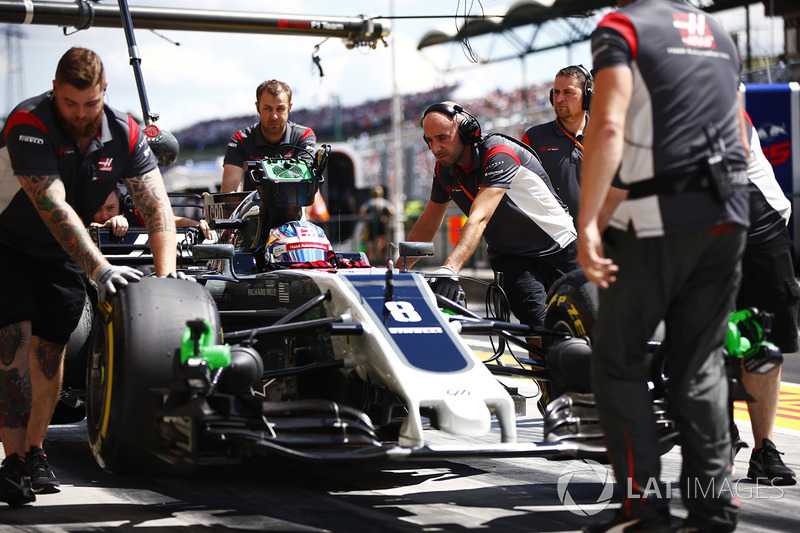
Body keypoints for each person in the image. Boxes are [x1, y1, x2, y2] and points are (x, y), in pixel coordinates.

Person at [577, 1, 750, 531]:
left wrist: (588, 223)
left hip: (661, 216)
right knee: (699, 364)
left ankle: (644, 511)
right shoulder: (718, 31)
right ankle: (711, 510)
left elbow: (606, 127)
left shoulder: (621, 27)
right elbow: (739, 132)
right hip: (730, 212)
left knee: (617, 360)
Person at [0, 47, 178, 506]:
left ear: (104, 94)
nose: (80, 114)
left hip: (60, 251)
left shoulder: (126, 131)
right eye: (70, 104)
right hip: (8, 242)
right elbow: (53, 206)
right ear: (55, 91)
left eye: (90, 105)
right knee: (14, 346)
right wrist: (99, 268)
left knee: (49, 352)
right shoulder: (28, 121)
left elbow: (156, 207)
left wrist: (167, 283)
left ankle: (37, 451)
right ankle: (13, 461)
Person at [407, 101, 577, 331]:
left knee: (585, 326)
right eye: (429, 141)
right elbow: (427, 224)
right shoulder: (442, 170)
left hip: (559, 245)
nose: (435, 148)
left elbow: (480, 216)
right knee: (538, 333)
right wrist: (397, 271)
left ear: (467, 131)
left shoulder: (499, 152)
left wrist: (450, 268)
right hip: (512, 256)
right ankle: (544, 365)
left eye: (442, 138)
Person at [734, 110, 797, 486]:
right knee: (702, 330)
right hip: (690, 219)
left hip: (761, 219)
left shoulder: (722, 97)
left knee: (763, 337)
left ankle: (764, 448)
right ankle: (718, 437)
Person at [521, 65, 593, 221]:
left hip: (603, 237)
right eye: (556, 92)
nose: (559, 98)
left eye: (568, 92)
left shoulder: (605, 136)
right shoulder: (534, 138)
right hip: (555, 241)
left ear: (587, 96)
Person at [220, 79, 316, 193]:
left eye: (280, 109)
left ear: (289, 108)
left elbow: (305, 185)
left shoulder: (304, 136)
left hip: (294, 207)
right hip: (253, 209)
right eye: (268, 109)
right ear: (257, 107)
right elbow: (228, 190)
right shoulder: (240, 140)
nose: (274, 116)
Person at [92, 188, 213, 240]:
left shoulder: (134, 212)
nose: (104, 216)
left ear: (120, 203)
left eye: (111, 208)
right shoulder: (79, 215)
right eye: (97, 209)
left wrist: (198, 226)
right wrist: (104, 227)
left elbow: (171, 221)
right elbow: (76, 229)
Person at [359, 185, 394, 264]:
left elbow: (362, 210)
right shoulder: (383, 202)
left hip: (371, 224)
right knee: (380, 243)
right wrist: (386, 217)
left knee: (370, 243)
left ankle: (371, 260)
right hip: (381, 224)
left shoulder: (369, 202)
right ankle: (379, 259)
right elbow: (391, 210)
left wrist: (366, 218)